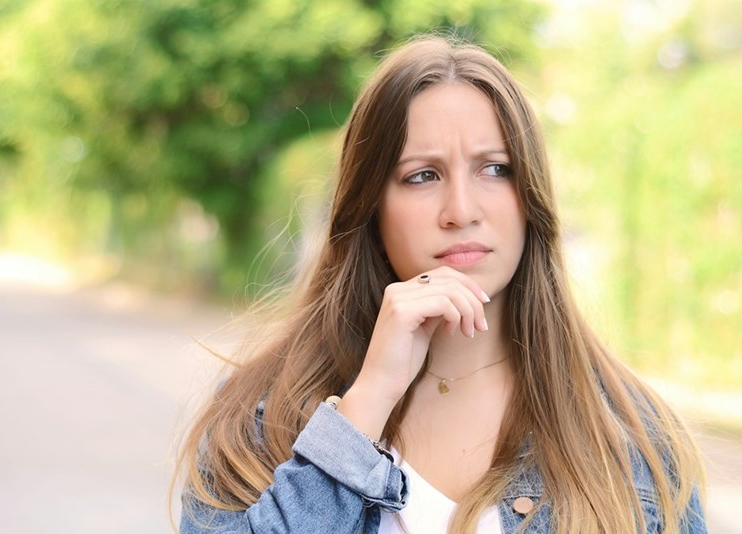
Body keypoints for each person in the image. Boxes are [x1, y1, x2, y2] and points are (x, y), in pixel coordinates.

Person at [174, 35, 707, 533]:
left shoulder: (635, 436)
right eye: (422, 175)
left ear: (531, 198)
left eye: (495, 169)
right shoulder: (262, 417)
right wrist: (366, 404)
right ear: (370, 207)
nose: (461, 210)